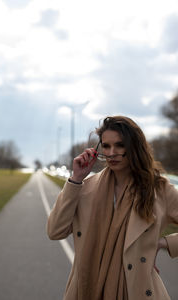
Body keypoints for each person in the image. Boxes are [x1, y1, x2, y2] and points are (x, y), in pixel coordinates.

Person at [47, 115, 178, 300]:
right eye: (106, 146)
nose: (111, 153)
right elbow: (55, 231)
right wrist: (76, 179)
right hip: (87, 290)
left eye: (120, 145)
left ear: (134, 147)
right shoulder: (85, 188)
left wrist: (162, 243)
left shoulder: (158, 189)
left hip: (138, 291)